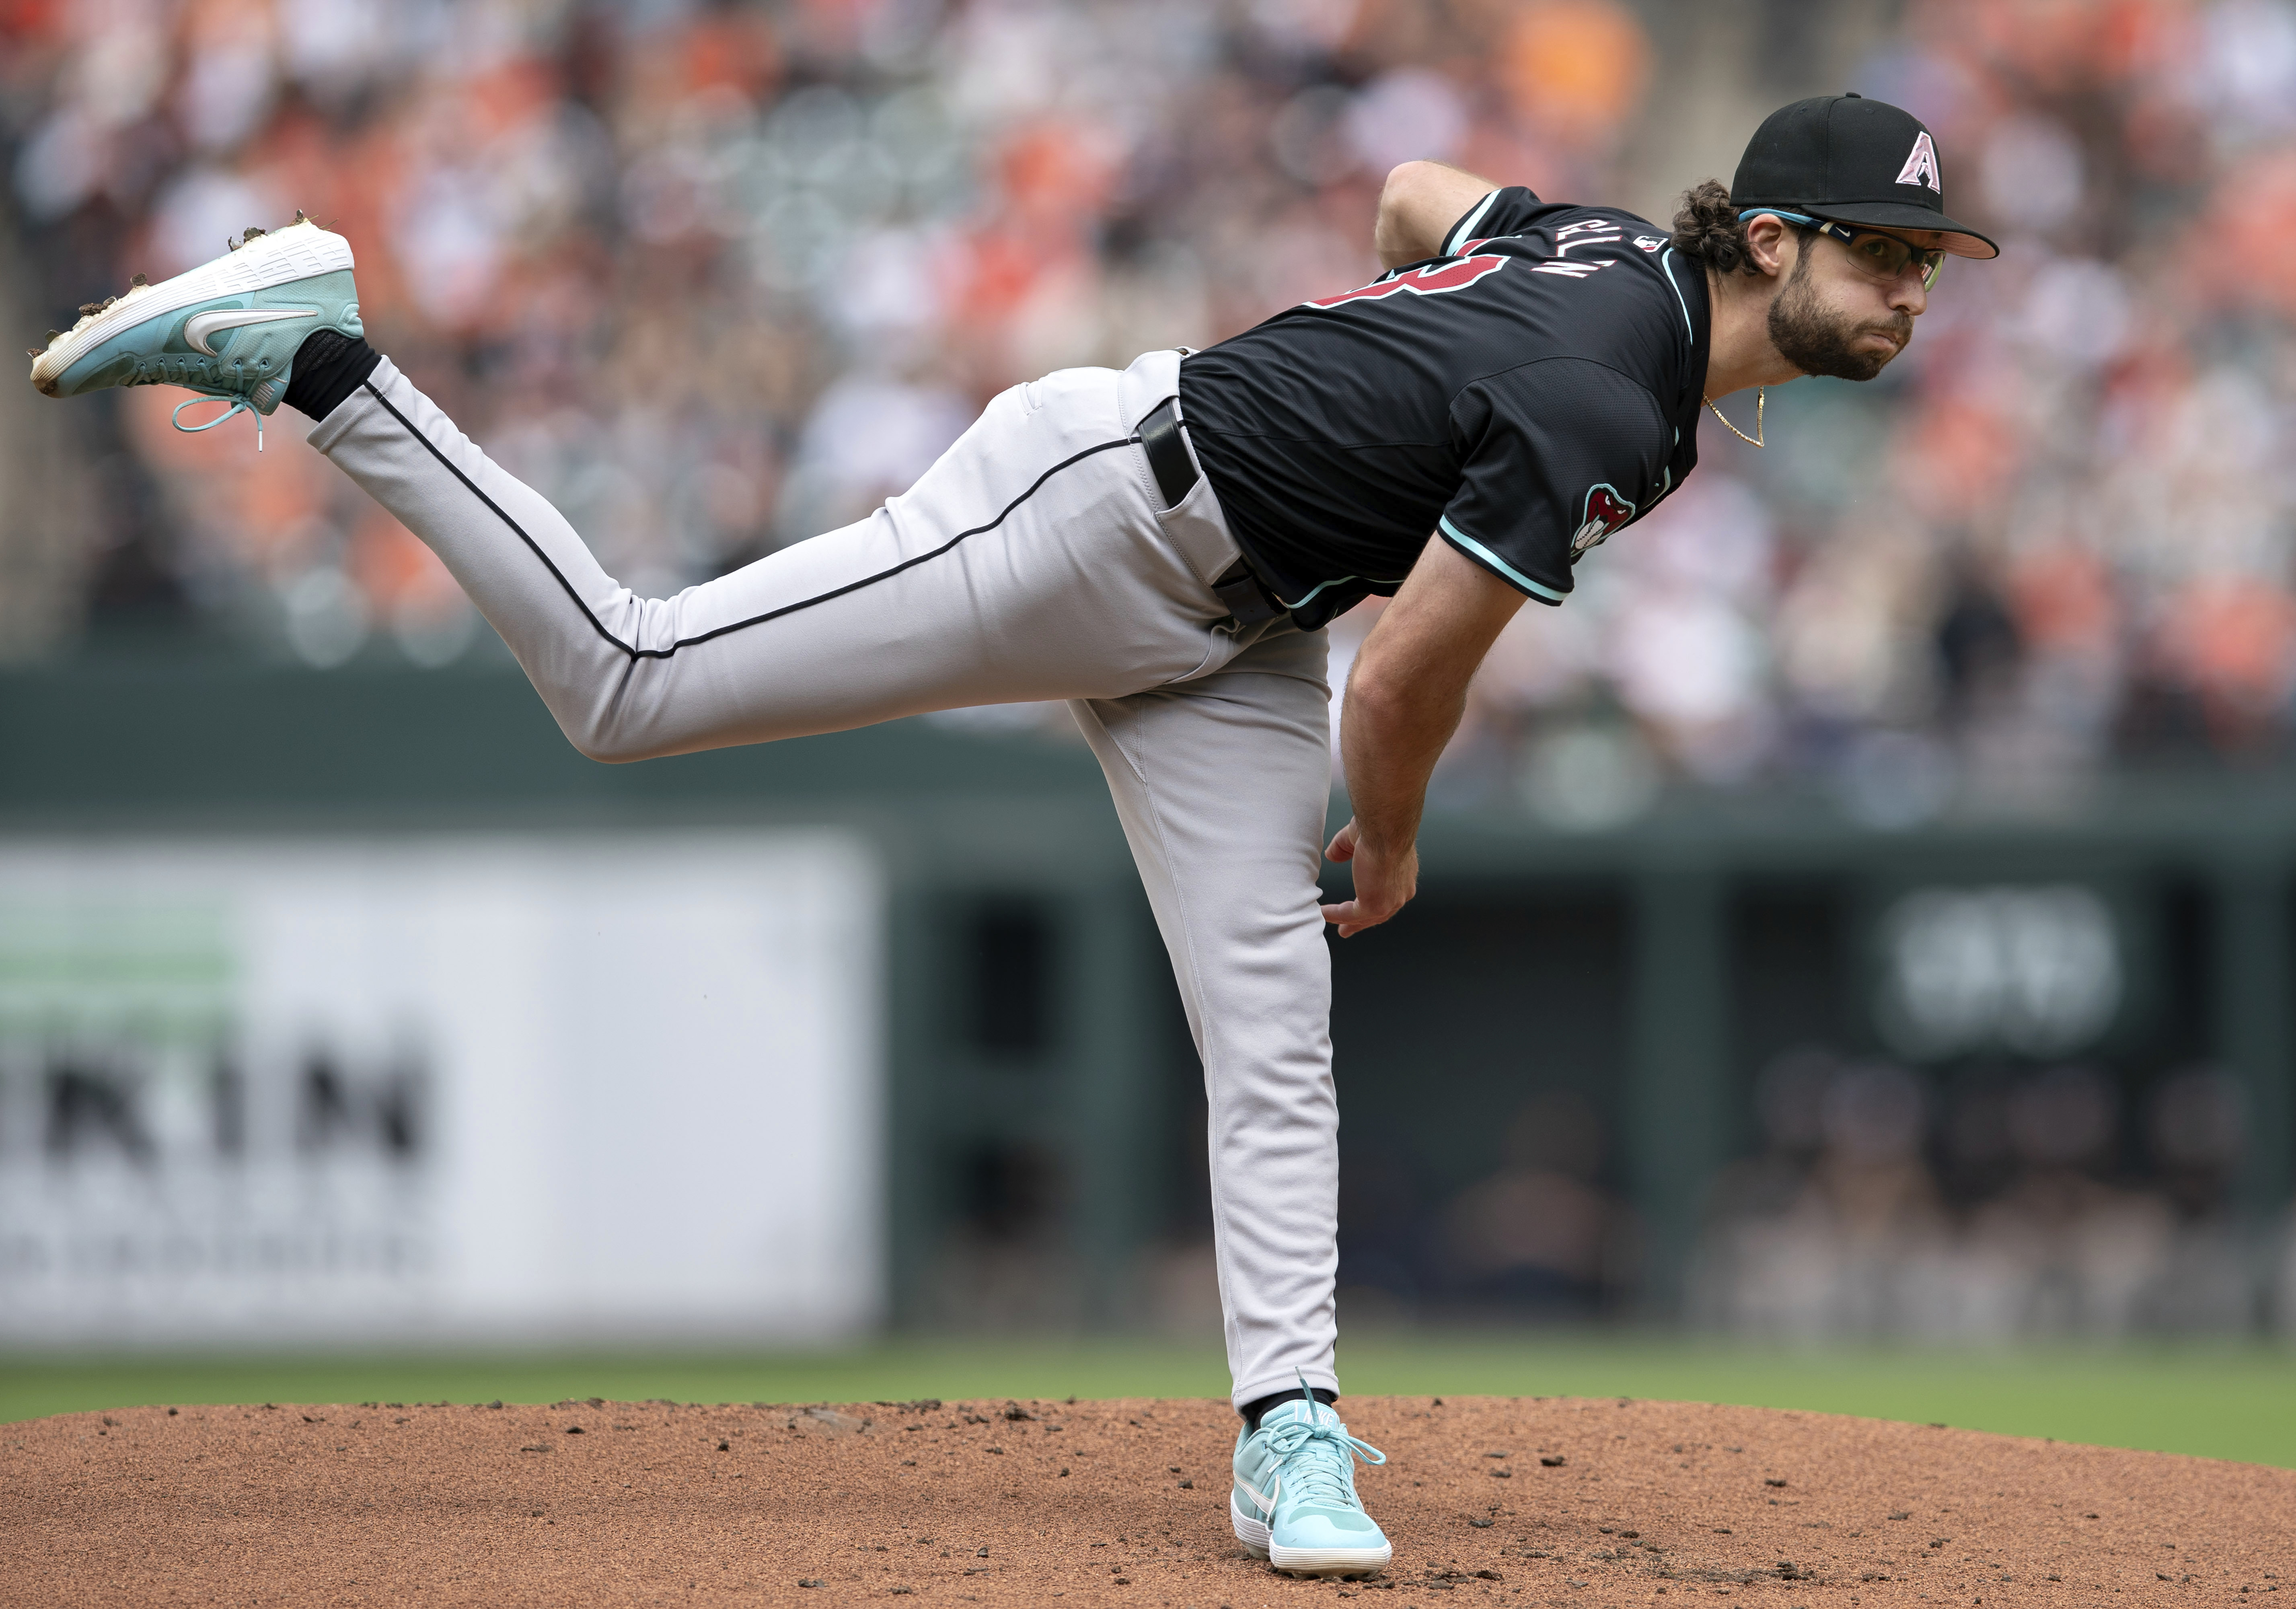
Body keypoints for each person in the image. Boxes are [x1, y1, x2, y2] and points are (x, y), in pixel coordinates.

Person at [29, 93, 1994, 1578]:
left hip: (1242, 626)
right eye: (1885, 252)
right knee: (627, 681)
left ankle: (1291, 1433)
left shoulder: (1595, 267)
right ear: (1768, 243)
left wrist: (1382, 354)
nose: (1914, 289)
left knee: (1271, 1025)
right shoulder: (1606, 377)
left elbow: (1417, 201)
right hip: (1101, 517)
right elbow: (1405, 696)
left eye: (1928, 261)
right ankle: (321, 358)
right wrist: (1386, 838)